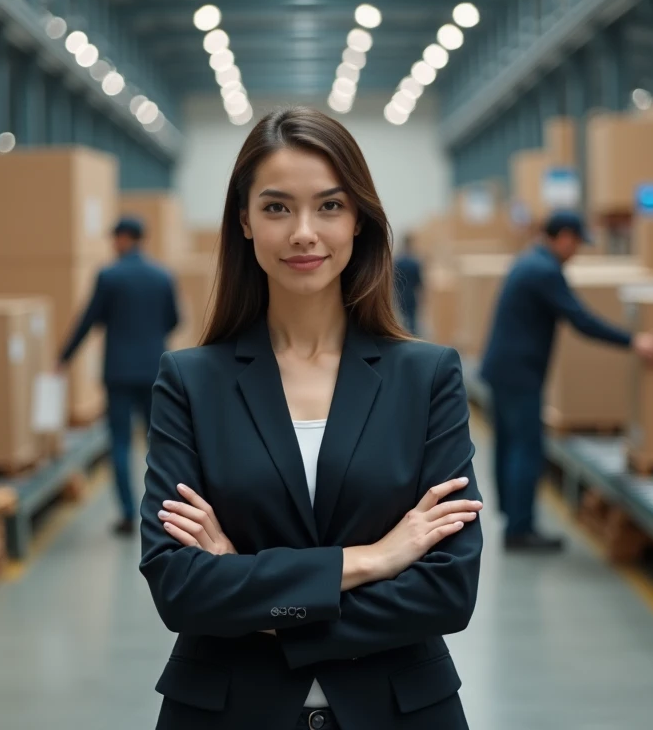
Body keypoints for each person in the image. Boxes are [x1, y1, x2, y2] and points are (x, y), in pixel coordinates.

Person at [138, 107, 483, 730]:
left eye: (328, 206)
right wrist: (375, 558)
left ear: (359, 220)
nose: (303, 232)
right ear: (243, 221)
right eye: (276, 208)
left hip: (399, 712)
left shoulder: (426, 377)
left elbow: (448, 589)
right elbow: (179, 585)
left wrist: (253, 595)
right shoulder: (191, 382)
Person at [479, 209, 653, 552]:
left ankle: (511, 520)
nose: (577, 251)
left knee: (509, 445)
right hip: (520, 374)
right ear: (564, 236)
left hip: (502, 369)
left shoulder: (529, 262)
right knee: (526, 449)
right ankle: (520, 531)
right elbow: (581, 320)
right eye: (577, 242)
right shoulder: (545, 270)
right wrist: (633, 341)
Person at [58, 216, 179, 537]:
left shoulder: (109, 276)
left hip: (119, 373)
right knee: (158, 444)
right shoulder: (162, 276)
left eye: (115, 238)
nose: (113, 244)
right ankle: (164, 514)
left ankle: (128, 514)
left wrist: (64, 357)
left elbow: (88, 320)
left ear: (124, 238)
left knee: (121, 443)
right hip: (156, 371)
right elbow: (173, 320)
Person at [392, 233, 424, 335]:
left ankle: (405, 335)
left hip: (400, 292)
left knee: (402, 316)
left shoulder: (398, 261)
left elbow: (394, 279)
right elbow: (419, 281)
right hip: (412, 293)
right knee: (412, 317)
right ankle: (412, 336)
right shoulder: (415, 261)